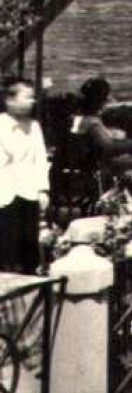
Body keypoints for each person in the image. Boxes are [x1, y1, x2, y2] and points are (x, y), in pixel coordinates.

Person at [0, 80, 49, 273]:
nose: (32, 101)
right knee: (6, 243)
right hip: (5, 192)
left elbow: (40, 159)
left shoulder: (34, 127)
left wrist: (43, 189)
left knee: (29, 243)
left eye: (33, 97)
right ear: (9, 100)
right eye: (26, 97)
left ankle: (30, 284)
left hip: (29, 191)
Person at [72, 77, 132, 178]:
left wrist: (111, 133)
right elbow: (108, 147)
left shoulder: (77, 120)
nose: (107, 100)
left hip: (83, 165)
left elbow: (96, 137)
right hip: (100, 168)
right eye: (105, 97)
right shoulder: (93, 123)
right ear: (99, 100)